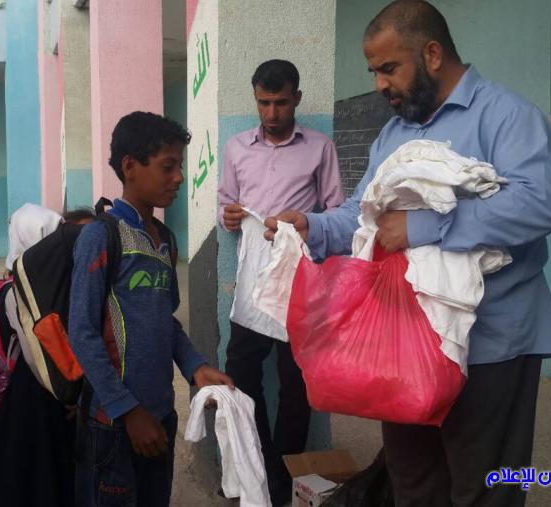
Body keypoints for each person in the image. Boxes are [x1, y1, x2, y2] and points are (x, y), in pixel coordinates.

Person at [267, 2, 551, 505]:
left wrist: (425, 226)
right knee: (413, 481)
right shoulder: (395, 132)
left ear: (432, 54)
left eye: (389, 68)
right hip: (405, 340)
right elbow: (365, 214)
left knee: (484, 486)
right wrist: (313, 226)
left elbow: (541, 202)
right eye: (374, 72)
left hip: (493, 341)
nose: (380, 84)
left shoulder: (506, 115)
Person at [69, 111, 234, 507]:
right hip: (113, 425)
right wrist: (128, 412)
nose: (179, 177)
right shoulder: (101, 237)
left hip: (160, 417)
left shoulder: (165, 241)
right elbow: (82, 332)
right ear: (130, 167)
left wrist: (195, 366)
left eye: (180, 166)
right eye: (167, 166)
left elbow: (166, 321)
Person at [218, 58, 345, 504]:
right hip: (253, 282)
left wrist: (304, 224)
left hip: (300, 282)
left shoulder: (320, 148)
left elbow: (337, 211)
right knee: (240, 371)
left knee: (296, 381)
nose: (272, 113)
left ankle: (284, 470)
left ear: (297, 99)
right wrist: (229, 216)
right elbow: (225, 204)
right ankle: (258, 462)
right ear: (255, 99)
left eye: (281, 103)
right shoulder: (236, 148)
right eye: (264, 103)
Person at [0, 205, 90, 507]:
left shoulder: (34, 283)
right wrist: (69, 395)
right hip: (40, 393)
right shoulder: (22, 290)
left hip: (36, 393)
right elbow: (37, 353)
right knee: (38, 470)